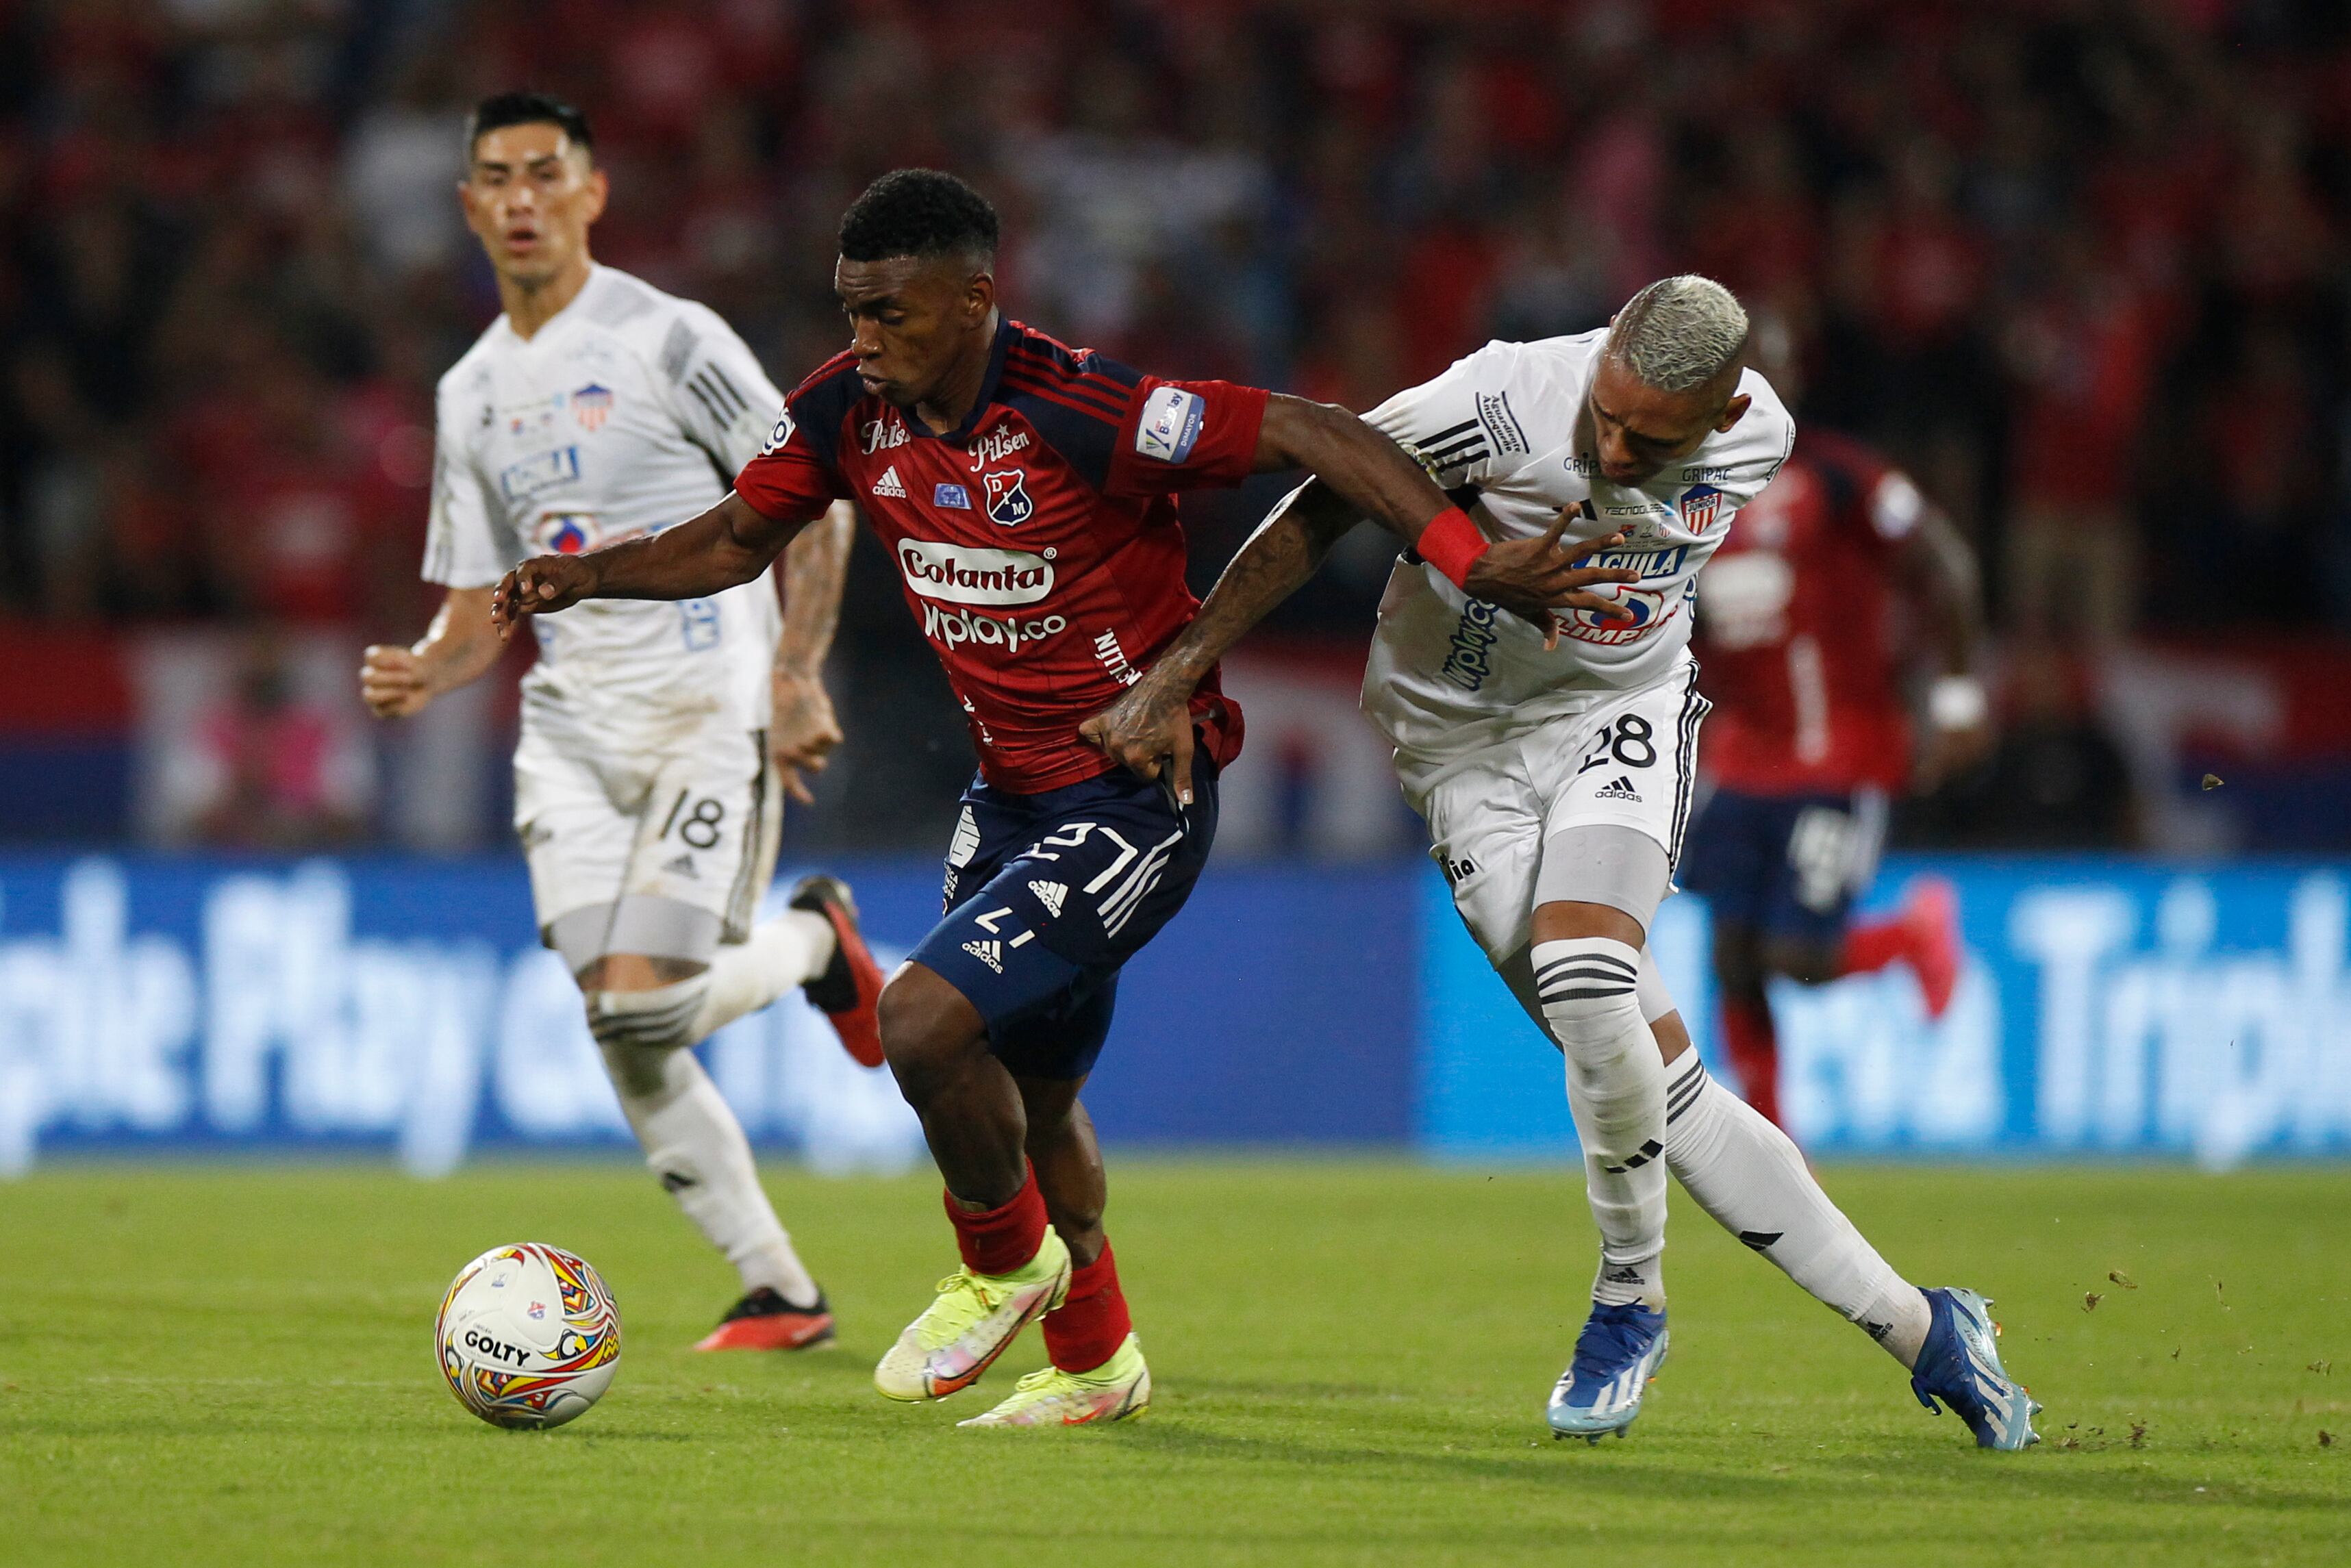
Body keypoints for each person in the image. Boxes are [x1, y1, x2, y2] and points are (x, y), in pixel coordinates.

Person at [489, 168, 1607, 1429]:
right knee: (1032, 1104)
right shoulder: (846, 414)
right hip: (1011, 797)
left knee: (920, 1026)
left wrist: (1469, 560)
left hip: (1135, 798)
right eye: (851, 311)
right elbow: (735, 537)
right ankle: (1095, 1363)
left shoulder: (1083, 409)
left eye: (891, 314)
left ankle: (1002, 1266)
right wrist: (591, 579)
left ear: (974, 301)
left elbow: (1317, 432)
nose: (864, 340)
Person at [1085, 276, 2040, 1449]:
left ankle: (1627, 1303)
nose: (1613, 444)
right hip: (1454, 747)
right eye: (1606, 416)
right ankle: (1926, 1329)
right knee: (1653, 1082)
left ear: (1722, 410)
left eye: (1648, 437)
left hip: (1616, 721)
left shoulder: (1765, 437)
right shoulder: (1503, 397)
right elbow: (1322, 497)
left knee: (1587, 968)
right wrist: (1179, 669)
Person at [360, 93, 884, 1354]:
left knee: (644, 1009)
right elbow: (482, 598)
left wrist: (796, 672)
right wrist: (434, 671)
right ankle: (781, 1289)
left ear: (592, 193)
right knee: (623, 1026)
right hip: (571, 740)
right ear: (470, 205)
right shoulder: (470, 391)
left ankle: (815, 942)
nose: (524, 197)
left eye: (548, 173)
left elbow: (821, 502)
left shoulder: (668, 338)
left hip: (706, 705)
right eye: (498, 177)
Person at [1681, 322, 1991, 1133]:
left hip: (1839, 752)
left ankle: (1911, 934)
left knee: (1799, 958)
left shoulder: (1841, 477)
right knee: (1732, 957)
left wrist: (1954, 697)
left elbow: (1947, 567)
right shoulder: (1684, 498)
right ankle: (1775, 1149)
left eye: (1772, 371)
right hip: (1743, 757)